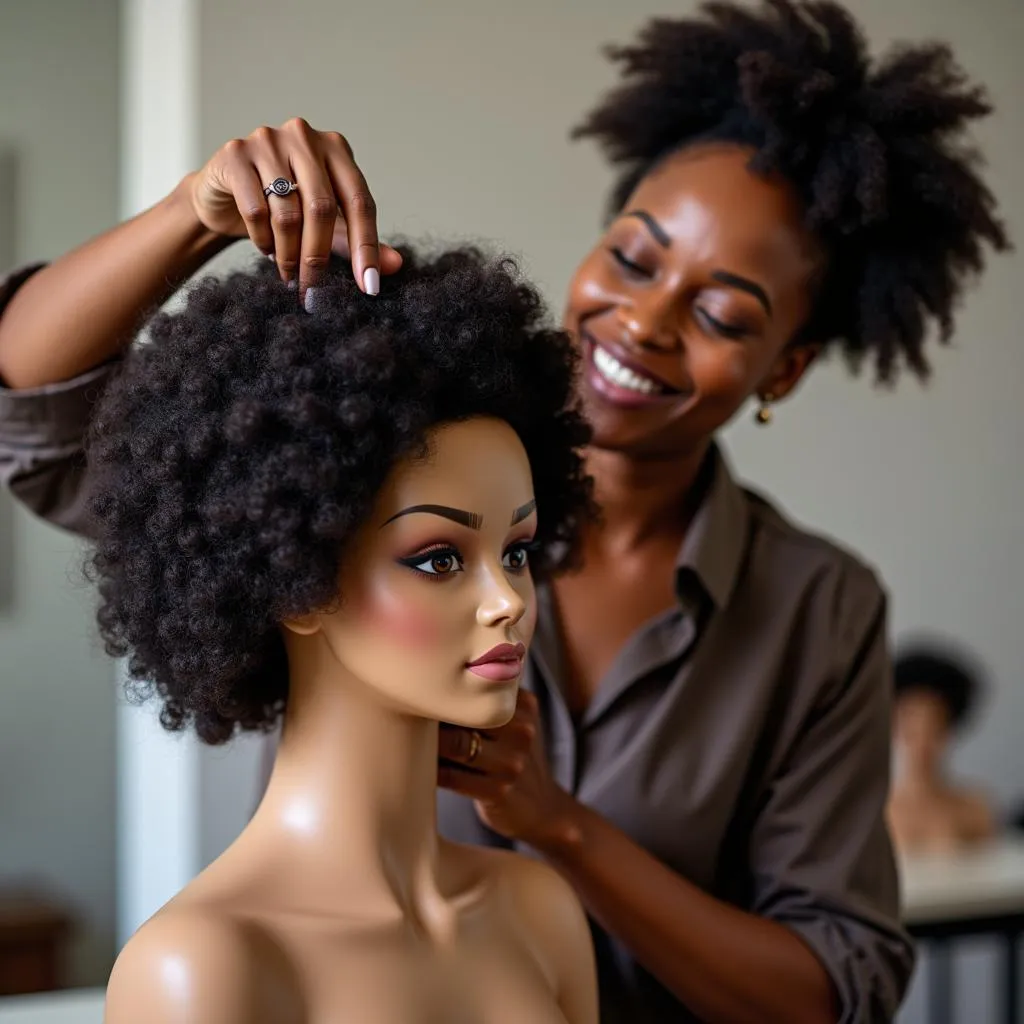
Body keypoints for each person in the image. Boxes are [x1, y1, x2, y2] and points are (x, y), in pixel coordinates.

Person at [0, 1, 1009, 1021]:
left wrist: (558, 827)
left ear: (782, 368)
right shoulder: (360, 454)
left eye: (719, 313)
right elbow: (32, 414)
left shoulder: (813, 608)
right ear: (295, 570)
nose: (645, 320)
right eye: (633, 257)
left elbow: (840, 989)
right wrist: (194, 213)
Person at [92, 248, 598, 1024]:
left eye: (517, 553)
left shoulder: (540, 912)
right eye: (438, 559)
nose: (509, 602)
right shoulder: (201, 970)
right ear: (300, 583)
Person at [887, 644, 996, 854]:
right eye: (912, 730)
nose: (922, 743)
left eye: (933, 727)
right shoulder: (875, 814)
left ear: (949, 729)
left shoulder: (975, 810)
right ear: (895, 727)